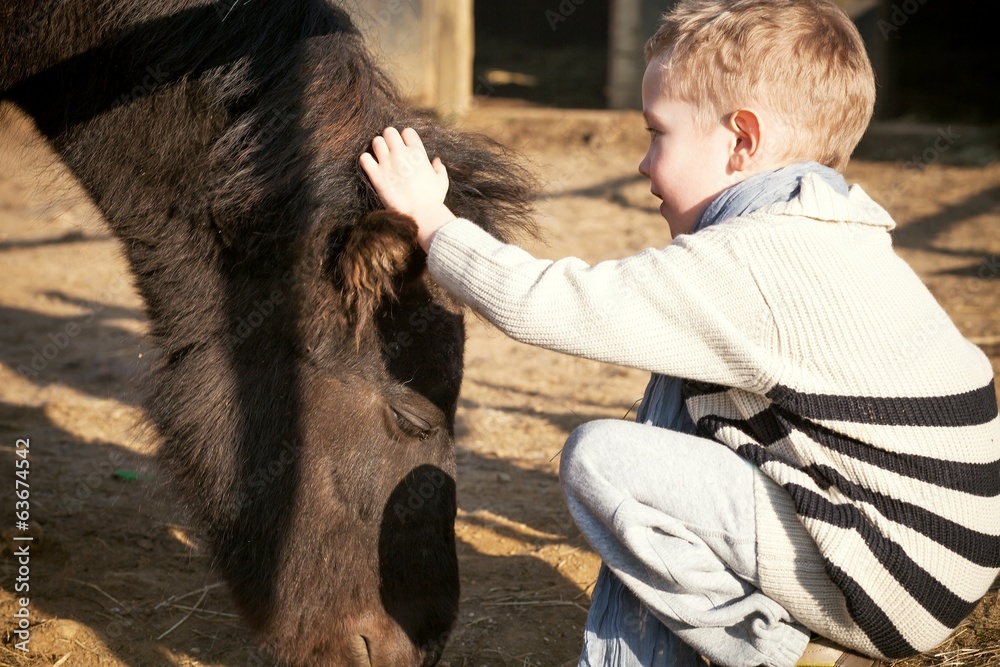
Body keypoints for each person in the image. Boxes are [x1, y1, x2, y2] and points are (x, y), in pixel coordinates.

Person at [359, 1, 1000, 665]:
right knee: (682, 378)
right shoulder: (831, 227)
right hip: (931, 557)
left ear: (742, 142)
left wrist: (433, 223)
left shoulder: (754, 259)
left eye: (658, 133)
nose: (641, 163)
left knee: (604, 461)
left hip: (890, 579)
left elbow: (545, 304)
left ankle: (778, 651)